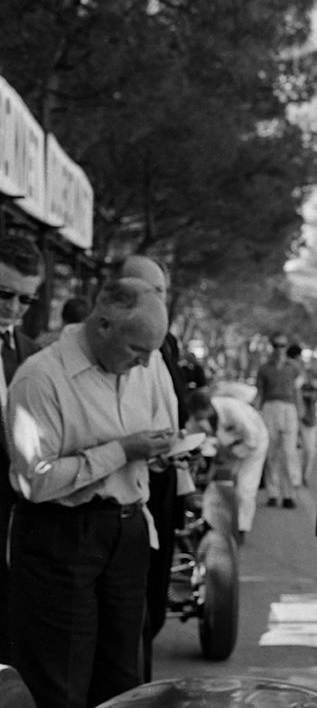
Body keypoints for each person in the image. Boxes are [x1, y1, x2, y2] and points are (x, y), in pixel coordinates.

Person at [6, 278, 176, 708]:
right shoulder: (41, 377)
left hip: (126, 528)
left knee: (125, 680)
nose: (143, 363)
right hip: (62, 531)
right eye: (138, 350)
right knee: (60, 685)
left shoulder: (141, 367)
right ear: (102, 324)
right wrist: (121, 450)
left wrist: (156, 448)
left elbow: (150, 429)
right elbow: (35, 481)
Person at [114, 255, 184, 664]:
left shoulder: (165, 344)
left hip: (160, 480)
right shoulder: (121, 346)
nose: (161, 299)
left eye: (163, 292)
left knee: (151, 593)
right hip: (129, 488)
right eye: (154, 290)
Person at [0, 236, 44, 662]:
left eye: (26, 300)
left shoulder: (31, 355)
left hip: (16, 519)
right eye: (5, 293)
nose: (14, 308)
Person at [185, 388, 269, 541]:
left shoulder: (232, 409)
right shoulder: (201, 418)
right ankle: (212, 523)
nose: (198, 419)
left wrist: (231, 451)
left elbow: (253, 439)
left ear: (207, 407)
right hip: (227, 448)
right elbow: (195, 438)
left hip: (254, 445)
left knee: (245, 488)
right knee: (217, 486)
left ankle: (241, 528)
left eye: (200, 416)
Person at [254, 332, 302, 508]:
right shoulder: (264, 368)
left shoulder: (293, 368)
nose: (279, 349)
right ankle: (273, 493)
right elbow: (260, 392)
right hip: (270, 407)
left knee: (289, 453)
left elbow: (297, 391)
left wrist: (300, 410)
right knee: (271, 452)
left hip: (289, 408)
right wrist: (255, 412)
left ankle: (288, 494)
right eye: (276, 345)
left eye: (282, 345)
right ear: (271, 347)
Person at [287, 342, 317, 485]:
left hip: (308, 416)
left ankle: (304, 475)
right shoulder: (285, 373)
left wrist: (309, 395)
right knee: (292, 450)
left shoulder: (308, 374)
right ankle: (294, 478)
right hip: (291, 416)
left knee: (309, 450)